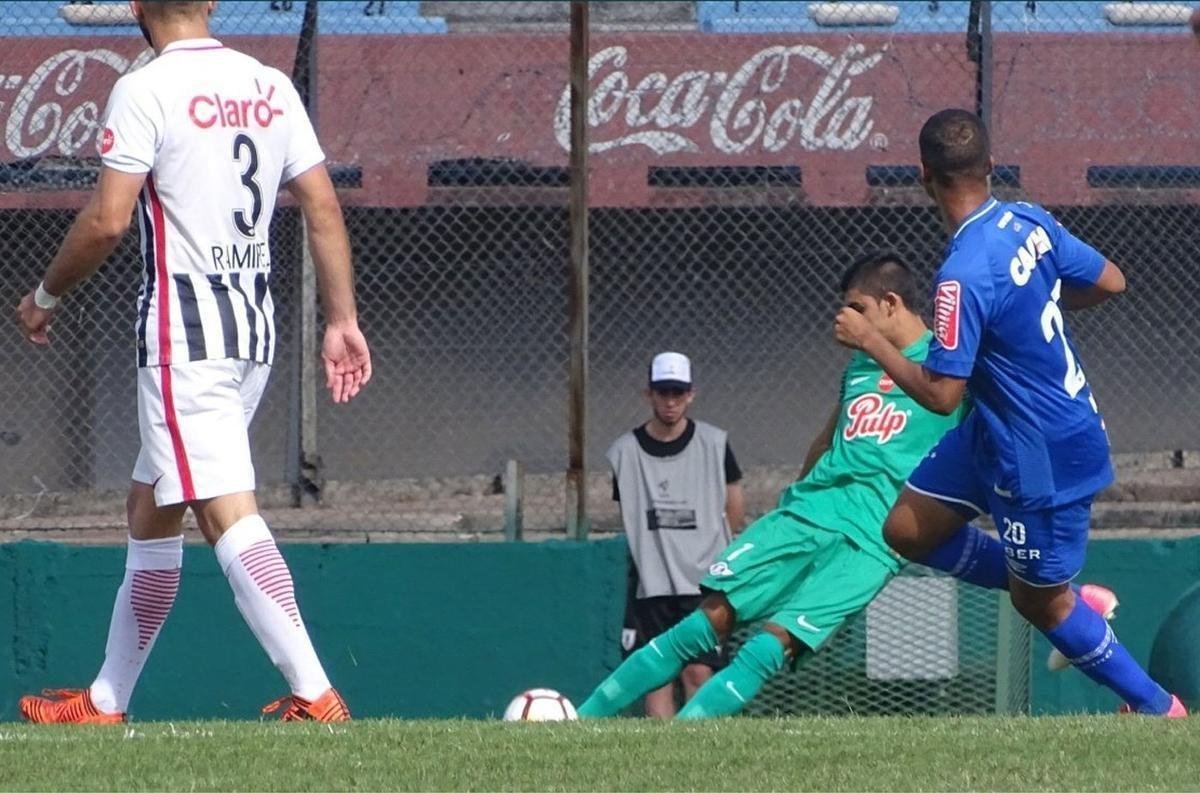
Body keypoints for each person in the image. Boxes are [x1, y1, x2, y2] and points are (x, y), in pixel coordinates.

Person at [14, 0, 371, 724]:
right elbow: (323, 204)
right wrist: (342, 319)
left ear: (139, 8)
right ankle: (107, 700)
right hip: (252, 330)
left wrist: (46, 294)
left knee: (223, 508)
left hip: (185, 337)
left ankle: (315, 691)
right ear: (211, 2)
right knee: (152, 503)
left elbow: (109, 217)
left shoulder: (145, 88)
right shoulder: (270, 84)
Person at [834, 108, 1185, 716]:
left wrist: (872, 341)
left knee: (1039, 606)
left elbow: (941, 394)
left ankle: (1159, 710)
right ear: (992, 166)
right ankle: (1068, 598)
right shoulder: (1029, 220)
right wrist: (1028, 311)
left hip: (1040, 451)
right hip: (993, 431)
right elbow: (1111, 282)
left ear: (922, 176)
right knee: (905, 531)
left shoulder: (960, 277)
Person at [579, 253, 967, 719]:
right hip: (812, 512)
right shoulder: (860, 368)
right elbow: (830, 437)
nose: (845, 319)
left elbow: (951, 408)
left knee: (773, 645)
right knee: (706, 622)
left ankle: (678, 746)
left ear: (889, 303)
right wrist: (798, 498)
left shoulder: (949, 364)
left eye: (856, 308)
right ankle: (578, 723)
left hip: (875, 538)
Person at [607, 351, 745, 718]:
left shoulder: (715, 444)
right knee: (656, 675)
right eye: (663, 392)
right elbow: (631, 515)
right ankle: (660, 759)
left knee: (699, 671)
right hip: (652, 585)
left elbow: (735, 506)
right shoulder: (625, 452)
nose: (670, 401)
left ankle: (699, 754)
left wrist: (715, 554)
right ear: (648, 394)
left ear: (691, 395)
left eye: (678, 393)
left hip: (703, 582)